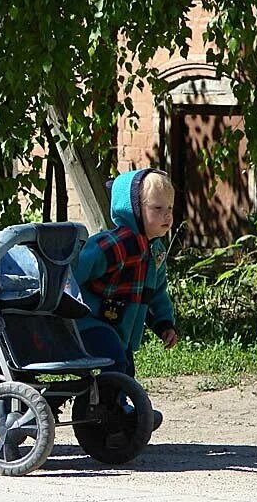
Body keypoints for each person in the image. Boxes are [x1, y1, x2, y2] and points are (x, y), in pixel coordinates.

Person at [75, 169, 178, 430]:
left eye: (170, 208)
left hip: (120, 327)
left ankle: (115, 411)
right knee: (117, 360)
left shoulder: (155, 250)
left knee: (124, 364)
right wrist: (64, 300)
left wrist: (164, 323)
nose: (167, 215)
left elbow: (156, 292)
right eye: (157, 208)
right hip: (89, 322)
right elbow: (76, 270)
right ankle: (113, 412)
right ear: (133, 209)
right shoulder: (113, 245)